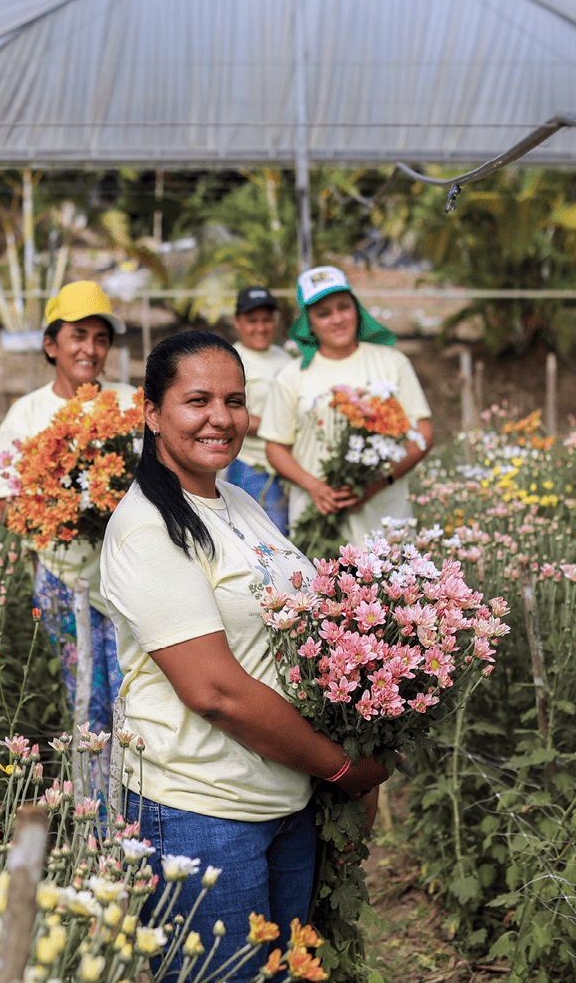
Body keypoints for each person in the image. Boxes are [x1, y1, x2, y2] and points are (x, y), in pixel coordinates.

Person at [102, 331, 390, 978]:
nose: (220, 418)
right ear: (151, 413)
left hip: (283, 798)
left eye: (233, 400)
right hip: (201, 811)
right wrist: (342, 769)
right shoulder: (147, 528)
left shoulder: (235, 500)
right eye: (196, 399)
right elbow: (215, 692)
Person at [0, 281, 139, 793]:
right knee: (83, 699)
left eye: (101, 338)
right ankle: (92, 821)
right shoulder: (25, 415)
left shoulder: (128, 407)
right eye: (78, 335)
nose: (90, 349)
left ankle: (137, 815)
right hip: (61, 581)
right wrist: (64, 513)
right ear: (51, 344)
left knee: (135, 697)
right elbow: (4, 505)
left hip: (130, 581)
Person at [260, 265, 432, 544]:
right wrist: (315, 487)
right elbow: (275, 447)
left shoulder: (392, 362)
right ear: (308, 322)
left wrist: (377, 483)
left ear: (357, 309)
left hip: (384, 518)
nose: (337, 319)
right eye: (323, 313)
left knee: (391, 585)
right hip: (317, 516)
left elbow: (423, 434)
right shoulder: (292, 375)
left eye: (344, 307)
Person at [224, 287, 293, 534]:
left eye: (266, 320)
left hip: (289, 466)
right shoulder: (231, 359)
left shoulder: (284, 357)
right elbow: (230, 413)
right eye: (252, 321)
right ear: (237, 322)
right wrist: (279, 428)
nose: (261, 328)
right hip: (254, 468)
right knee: (266, 544)